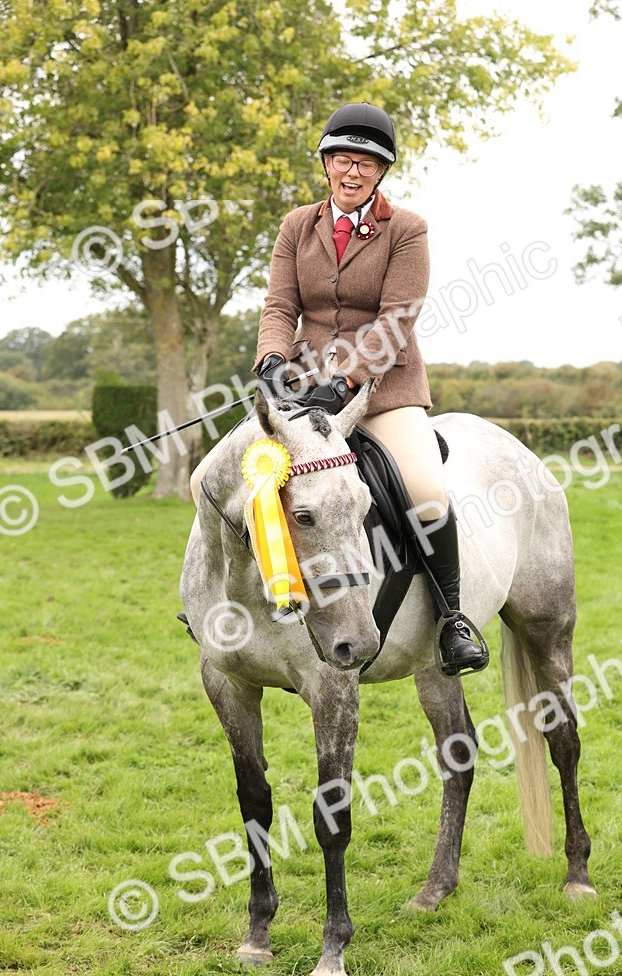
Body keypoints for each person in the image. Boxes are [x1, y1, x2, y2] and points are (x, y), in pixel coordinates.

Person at [190, 101, 486, 675]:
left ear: (382, 172)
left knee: (426, 491)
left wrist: (346, 380)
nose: (353, 172)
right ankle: (215, 605)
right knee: (211, 479)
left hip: (381, 390)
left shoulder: (407, 230)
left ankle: (452, 620)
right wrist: (273, 360)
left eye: (366, 164)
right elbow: (280, 305)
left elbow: (398, 319)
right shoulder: (297, 225)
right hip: (299, 390)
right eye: (342, 160)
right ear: (326, 162)